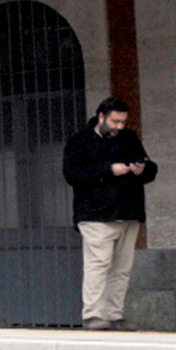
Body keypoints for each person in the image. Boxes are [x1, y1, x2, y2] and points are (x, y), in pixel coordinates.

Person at [62, 97, 158, 330]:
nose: (119, 126)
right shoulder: (80, 141)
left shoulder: (129, 138)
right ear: (102, 117)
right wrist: (109, 170)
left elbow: (151, 169)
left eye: (123, 122)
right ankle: (93, 315)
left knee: (122, 269)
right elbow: (72, 174)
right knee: (98, 264)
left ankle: (115, 316)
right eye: (115, 121)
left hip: (128, 213)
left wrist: (142, 169)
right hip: (95, 215)